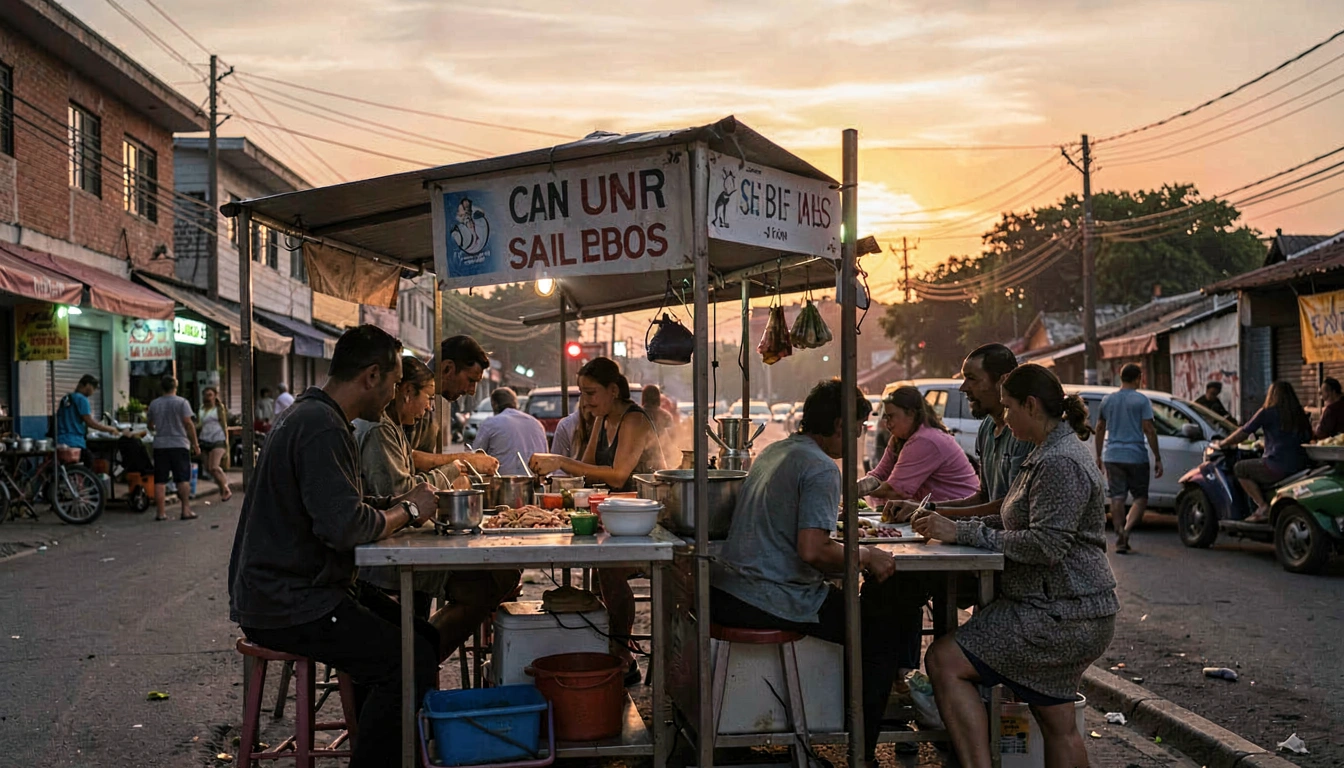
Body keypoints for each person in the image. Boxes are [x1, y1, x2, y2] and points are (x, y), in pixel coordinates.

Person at [228, 325, 440, 768]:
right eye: (394, 383)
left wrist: (398, 502)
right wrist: (412, 512)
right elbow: (346, 527)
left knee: (423, 636)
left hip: (306, 587)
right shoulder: (320, 425)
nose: (394, 395)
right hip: (289, 602)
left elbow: (344, 503)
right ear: (371, 376)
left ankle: (392, 749)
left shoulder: (316, 415)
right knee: (406, 659)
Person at [914, 364, 1117, 768]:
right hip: (1068, 608)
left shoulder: (1060, 461)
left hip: (1061, 612)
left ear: (1031, 405)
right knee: (1057, 721)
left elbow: (1045, 545)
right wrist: (954, 525)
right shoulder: (1046, 450)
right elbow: (1013, 520)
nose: (1004, 417)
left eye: (1009, 407)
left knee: (944, 661)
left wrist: (961, 534)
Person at [712, 379, 913, 768]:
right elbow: (813, 549)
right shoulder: (822, 468)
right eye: (856, 429)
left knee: (866, 618)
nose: (856, 437)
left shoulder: (776, 449)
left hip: (728, 590)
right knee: (880, 635)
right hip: (769, 598)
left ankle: (832, 718)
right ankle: (861, 753)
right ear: (839, 424)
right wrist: (868, 556)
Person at [358, 357, 519, 658]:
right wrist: (453, 469)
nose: (430, 407)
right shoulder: (379, 430)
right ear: (406, 391)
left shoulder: (394, 427)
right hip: (382, 556)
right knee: (482, 587)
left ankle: (418, 656)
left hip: (403, 543)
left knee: (503, 574)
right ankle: (417, 662)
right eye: (428, 398)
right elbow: (401, 496)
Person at [528, 357, 665, 687]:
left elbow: (618, 476)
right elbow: (585, 467)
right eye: (581, 394)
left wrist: (560, 460)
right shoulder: (602, 420)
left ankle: (622, 655)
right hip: (615, 517)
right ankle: (605, 649)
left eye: (590, 393)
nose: (584, 402)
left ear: (613, 390)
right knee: (600, 578)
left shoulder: (633, 421)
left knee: (610, 574)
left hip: (645, 519)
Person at [885, 343, 1032, 523]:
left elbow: (1010, 506)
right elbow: (984, 497)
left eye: (972, 379)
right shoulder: (987, 427)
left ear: (1003, 381)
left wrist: (938, 514)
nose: (963, 388)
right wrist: (926, 508)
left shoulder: (1024, 432)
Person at [863, 386, 979, 504]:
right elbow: (879, 474)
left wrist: (857, 490)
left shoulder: (925, 440)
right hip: (937, 511)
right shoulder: (898, 440)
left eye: (891, 416)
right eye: (886, 417)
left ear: (911, 414)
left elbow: (896, 491)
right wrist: (861, 485)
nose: (888, 423)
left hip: (959, 511)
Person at [1218, 381, 1312, 523]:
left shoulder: (1267, 412)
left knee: (1240, 468)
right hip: (1301, 465)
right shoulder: (1300, 413)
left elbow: (1244, 432)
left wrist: (1223, 443)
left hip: (1277, 466)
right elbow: (1307, 436)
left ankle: (1262, 507)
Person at [403, 343, 500, 477]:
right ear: (448, 368)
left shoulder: (435, 405)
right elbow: (404, 457)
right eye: (470, 381)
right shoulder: (412, 399)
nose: (472, 391)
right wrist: (466, 460)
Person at [1095, 363, 1162, 554]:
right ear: (1137, 378)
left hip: (1113, 455)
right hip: (1136, 456)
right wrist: (1157, 457)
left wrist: (1099, 455)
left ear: (1120, 377)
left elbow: (1100, 428)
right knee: (1140, 498)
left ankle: (1118, 533)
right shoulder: (1141, 400)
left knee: (1117, 496)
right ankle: (1127, 530)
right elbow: (1149, 429)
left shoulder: (1107, 400)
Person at [147, 376, 200, 521]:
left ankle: (161, 513)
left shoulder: (154, 404)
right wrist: (195, 444)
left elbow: (150, 425)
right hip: (179, 444)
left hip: (160, 445)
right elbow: (188, 424)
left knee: (160, 480)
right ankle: (185, 510)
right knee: (182, 478)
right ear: (175, 387)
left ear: (161, 387)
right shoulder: (182, 403)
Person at [475, 387, 548, 475]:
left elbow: (476, 456)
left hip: (502, 483)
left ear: (494, 404)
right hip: (534, 483)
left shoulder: (491, 423)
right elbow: (545, 457)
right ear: (515, 403)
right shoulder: (536, 423)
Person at [55, 374, 121, 464]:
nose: (93, 392)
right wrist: (109, 429)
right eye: (93, 389)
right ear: (88, 385)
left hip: (60, 440)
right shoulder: (82, 399)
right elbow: (89, 422)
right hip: (74, 442)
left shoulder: (66, 398)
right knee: (89, 461)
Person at [195, 387, 232, 502]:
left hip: (217, 439)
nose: (208, 398)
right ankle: (222, 488)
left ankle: (226, 488)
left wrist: (226, 441)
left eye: (210, 395)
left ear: (215, 396)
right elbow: (199, 425)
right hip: (204, 439)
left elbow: (224, 424)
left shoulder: (218, 409)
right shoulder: (201, 409)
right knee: (208, 468)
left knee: (214, 467)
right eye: (206, 395)